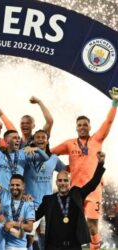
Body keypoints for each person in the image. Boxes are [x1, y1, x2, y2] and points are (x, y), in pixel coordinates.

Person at [51, 87, 118, 249]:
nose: (82, 127)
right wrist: (63, 167)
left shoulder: (97, 140)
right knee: (71, 224)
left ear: (89, 127)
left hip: (93, 189)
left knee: (92, 225)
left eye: (85, 125)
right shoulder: (69, 143)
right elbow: (51, 153)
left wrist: (115, 102)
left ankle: (95, 247)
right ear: (76, 128)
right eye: (79, 125)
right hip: (75, 190)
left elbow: (108, 122)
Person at [35, 152, 106, 250]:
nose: (62, 183)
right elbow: (34, 216)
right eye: (60, 180)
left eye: (65, 180)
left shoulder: (77, 194)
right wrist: (25, 202)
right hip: (53, 247)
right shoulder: (48, 200)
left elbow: (93, 183)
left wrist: (100, 164)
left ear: (70, 182)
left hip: (74, 247)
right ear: (56, 182)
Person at [0, 146, 35, 250]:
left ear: (23, 186)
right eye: (12, 185)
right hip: (3, 244)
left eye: (17, 185)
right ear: (9, 186)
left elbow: (29, 227)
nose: (14, 187)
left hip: (20, 246)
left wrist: (14, 224)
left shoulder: (28, 203)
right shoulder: (4, 194)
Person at [23, 130, 65, 249]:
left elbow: (65, 171)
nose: (41, 139)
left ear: (47, 141)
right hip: (30, 203)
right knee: (28, 237)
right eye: (38, 137)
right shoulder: (27, 157)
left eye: (43, 137)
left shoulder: (54, 158)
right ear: (33, 140)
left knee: (46, 236)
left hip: (48, 204)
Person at [0, 126, 48, 191]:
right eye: (14, 138)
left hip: (17, 196)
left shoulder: (23, 153)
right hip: (1, 197)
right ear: (7, 141)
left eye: (19, 138)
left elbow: (45, 158)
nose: (18, 140)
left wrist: (37, 149)